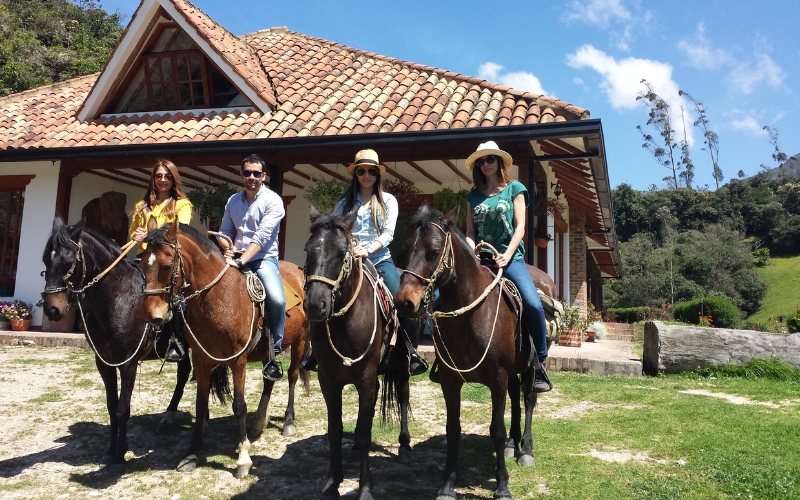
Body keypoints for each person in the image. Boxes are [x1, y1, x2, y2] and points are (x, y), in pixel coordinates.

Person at [300, 149, 428, 376]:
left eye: (371, 171)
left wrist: (367, 250)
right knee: (323, 293)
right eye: (361, 171)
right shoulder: (344, 202)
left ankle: (411, 351)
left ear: (378, 174)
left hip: (379, 259)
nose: (366, 175)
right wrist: (348, 250)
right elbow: (336, 231)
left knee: (401, 297)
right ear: (356, 173)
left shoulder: (388, 200)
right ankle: (314, 353)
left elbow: (389, 233)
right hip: (348, 261)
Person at [464, 141, 552, 393]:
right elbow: (470, 231)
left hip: (510, 259)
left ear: (499, 161)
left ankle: (540, 362)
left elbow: (521, 227)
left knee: (533, 304)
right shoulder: (473, 195)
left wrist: (507, 254)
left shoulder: (515, 189)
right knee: (442, 299)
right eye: (480, 161)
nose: (485, 164)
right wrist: (472, 250)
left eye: (489, 159)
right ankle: (445, 360)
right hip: (481, 260)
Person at [219, 154, 286, 382]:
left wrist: (240, 261)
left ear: (264, 176)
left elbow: (261, 237)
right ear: (241, 175)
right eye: (247, 172)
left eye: (257, 173)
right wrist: (227, 247)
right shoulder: (233, 201)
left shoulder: (273, 201)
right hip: (235, 256)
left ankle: (273, 352)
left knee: (277, 299)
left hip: (263, 259)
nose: (252, 177)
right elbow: (226, 231)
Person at [129, 159, 193, 362]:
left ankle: (178, 342)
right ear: (153, 179)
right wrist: (136, 234)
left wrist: (149, 235)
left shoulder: (182, 205)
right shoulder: (140, 206)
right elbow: (132, 233)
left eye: (167, 176)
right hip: (144, 259)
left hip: (169, 259)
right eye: (159, 176)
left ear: (174, 180)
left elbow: (179, 230)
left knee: (178, 298)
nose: (163, 180)